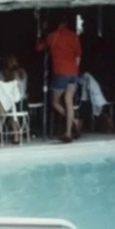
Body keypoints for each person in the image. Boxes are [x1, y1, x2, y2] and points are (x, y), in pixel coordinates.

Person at [37, 12, 82, 143]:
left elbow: (38, 47)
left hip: (61, 72)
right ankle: (68, 132)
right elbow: (78, 57)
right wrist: (74, 70)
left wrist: (41, 32)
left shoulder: (52, 36)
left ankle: (74, 121)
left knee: (55, 102)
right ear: (66, 23)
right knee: (69, 101)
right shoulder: (74, 36)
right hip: (73, 72)